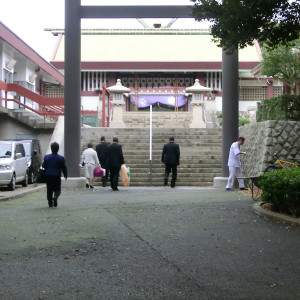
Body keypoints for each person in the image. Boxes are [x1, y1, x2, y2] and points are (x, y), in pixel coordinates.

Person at [42, 142, 67, 208]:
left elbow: (43, 165)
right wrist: (65, 174)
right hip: (57, 176)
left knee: (49, 190)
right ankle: (55, 197)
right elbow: (64, 167)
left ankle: (50, 202)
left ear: (51, 148)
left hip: (48, 175)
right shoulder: (61, 158)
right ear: (58, 149)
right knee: (58, 189)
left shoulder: (46, 157)